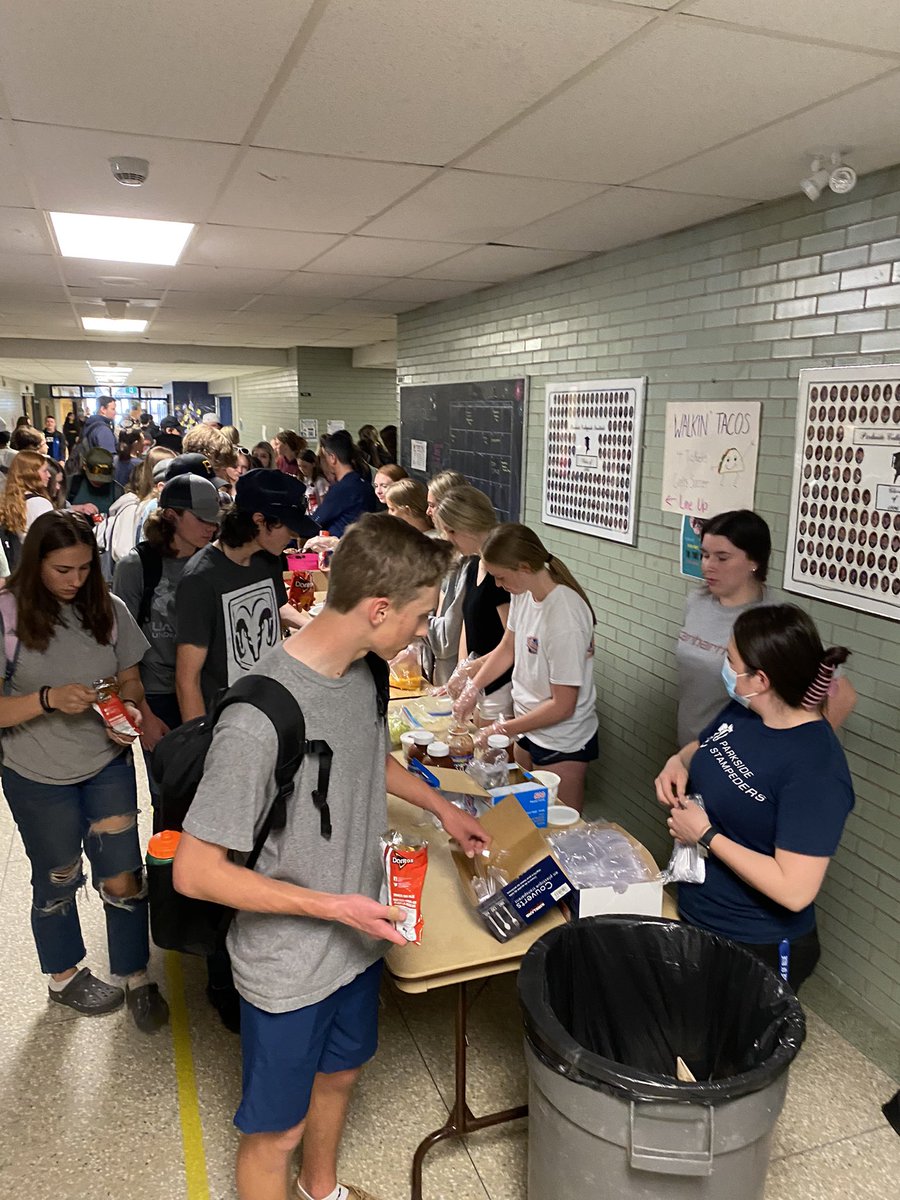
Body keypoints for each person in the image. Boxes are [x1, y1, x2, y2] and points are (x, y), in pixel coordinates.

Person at [172, 513, 489, 1200]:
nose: (420, 633)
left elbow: (365, 762)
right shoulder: (260, 716)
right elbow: (195, 872)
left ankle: (322, 1190)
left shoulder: (366, 675)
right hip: (289, 959)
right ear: (379, 609)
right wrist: (328, 903)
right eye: (419, 617)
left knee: (341, 1073)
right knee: (274, 1133)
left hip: (355, 940)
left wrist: (443, 807)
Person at [0, 511, 169, 1031]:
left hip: (105, 762)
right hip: (34, 773)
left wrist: (130, 714)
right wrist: (48, 699)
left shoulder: (109, 607)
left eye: (83, 568)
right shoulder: (7, 615)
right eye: (61, 570)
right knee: (58, 876)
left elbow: (129, 682)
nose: (75, 581)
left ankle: (134, 974)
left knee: (123, 875)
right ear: (35, 566)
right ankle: (64, 975)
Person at [654, 604, 855, 993]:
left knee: (731, 1049)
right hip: (699, 910)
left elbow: (794, 890)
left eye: (730, 659)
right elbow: (707, 745)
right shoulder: (745, 711)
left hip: (755, 940)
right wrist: (678, 760)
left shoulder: (816, 771)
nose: (723, 666)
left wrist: (706, 834)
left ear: (760, 679)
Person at [676, 509, 855, 746]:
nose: (708, 566)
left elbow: (843, 695)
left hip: (735, 760)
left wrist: (781, 752)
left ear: (754, 561)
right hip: (689, 746)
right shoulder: (697, 601)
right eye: (705, 555)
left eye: (722, 558)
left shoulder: (774, 620)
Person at [456, 523, 598, 812]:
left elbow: (563, 706)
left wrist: (502, 726)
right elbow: (507, 649)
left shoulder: (564, 617)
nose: (497, 585)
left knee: (558, 827)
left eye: (501, 577)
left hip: (562, 739)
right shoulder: (522, 594)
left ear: (524, 567)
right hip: (528, 728)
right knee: (524, 813)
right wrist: (472, 688)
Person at [113, 474, 221, 816]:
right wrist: (144, 715)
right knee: (170, 796)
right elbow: (121, 648)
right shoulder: (137, 566)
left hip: (206, 691)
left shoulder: (213, 561)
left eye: (214, 520)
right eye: (201, 519)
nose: (210, 528)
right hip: (158, 695)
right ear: (172, 515)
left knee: (211, 792)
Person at [174, 470, 319, 723]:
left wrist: (316, 628)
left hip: (269, 704)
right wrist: (197, 745)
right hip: (228, 718)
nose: (294, 537)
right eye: (289, 527)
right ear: (259, 520)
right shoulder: (200, 579)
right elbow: (187, 679)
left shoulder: (267, 557)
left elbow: (278, 607)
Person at [435, 486, 511, 702]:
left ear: (467, 525)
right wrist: (461, 668)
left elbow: (512, 641)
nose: (448, 538)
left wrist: (471, 673)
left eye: (451, 531)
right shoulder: (471, 565)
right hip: (478, 679)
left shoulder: (502, 574)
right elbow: (466, 627)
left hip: (499, 683)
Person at [313, 431, 378, 538]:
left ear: (332, 458)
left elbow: (317, 520)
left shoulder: (341, 489)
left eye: (325, 457)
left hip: (341, 546)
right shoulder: (365, 486)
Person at [0, 451, 54, 568]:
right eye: (45, 471)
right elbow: (51, 541)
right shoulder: (40, 504)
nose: (49, 475)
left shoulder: (7, 502)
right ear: (31, 474)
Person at [66, 446, 124, 517]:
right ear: (85, 466)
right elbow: (55, 508)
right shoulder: (71, 483)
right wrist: (77, 508)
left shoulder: (117, 491)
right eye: (94, 478)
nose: (99, 482)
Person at [298, 449, 329, 513]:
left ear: (313, 464)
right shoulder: (301, 480)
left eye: (305, 466)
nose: (302, 469)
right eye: (299, 466)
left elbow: (323, 506)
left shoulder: (320, 482)